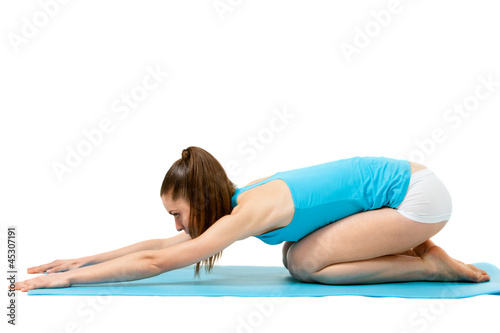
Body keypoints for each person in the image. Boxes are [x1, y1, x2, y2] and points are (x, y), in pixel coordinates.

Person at [15, 146, 490, 292]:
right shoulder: (236, 202)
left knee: (304, 265)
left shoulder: (247, 212)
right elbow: (164, 246)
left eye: (178, 214)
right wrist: (76, 261)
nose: (178, 226)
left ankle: (428, 264)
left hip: (416, 198)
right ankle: (411, 248)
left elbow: (162, 261)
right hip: (397, 193)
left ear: (200, 199)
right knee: (296, 255)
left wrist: (70, 283)